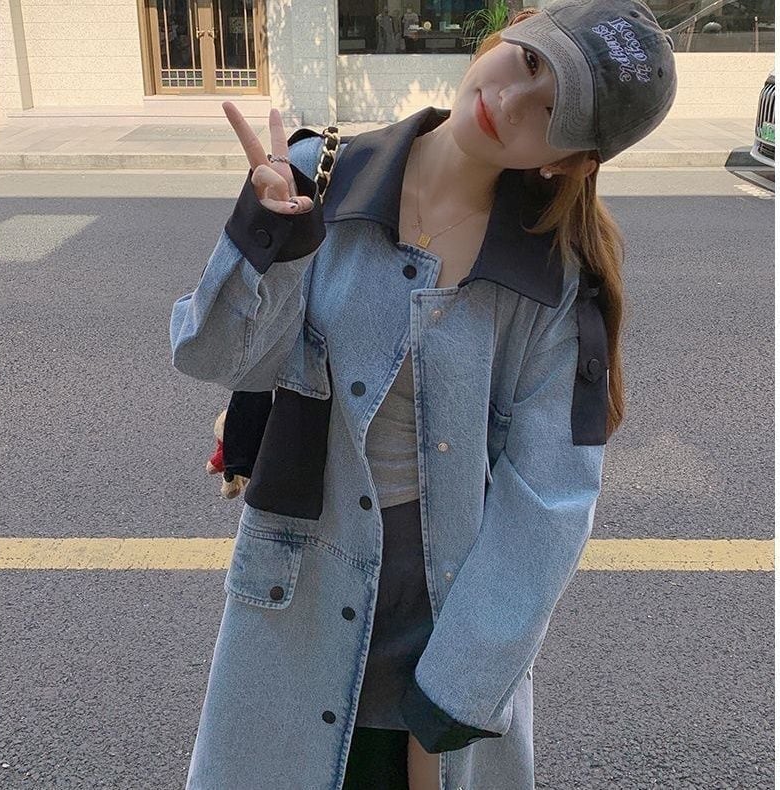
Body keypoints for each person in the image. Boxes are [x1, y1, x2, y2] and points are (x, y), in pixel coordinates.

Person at [169, 0, 677, 788]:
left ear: (572, 162)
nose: (511, 101)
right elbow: (213, 355)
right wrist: (268, 237)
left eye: (552, 112)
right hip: (295, 609)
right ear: (512, 28)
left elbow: (549, 500)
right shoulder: (316, 176)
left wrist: (452, 698)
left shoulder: (555, 284)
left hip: (449, 627)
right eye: (529, 61)